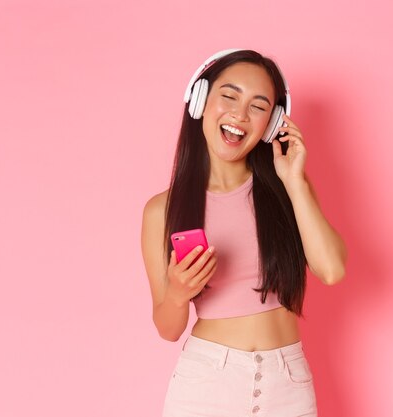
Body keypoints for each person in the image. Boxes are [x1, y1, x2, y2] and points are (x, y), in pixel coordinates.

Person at [141, 49, 346, 417]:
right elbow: (169, 329)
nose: (239, 114)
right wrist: (177, 293)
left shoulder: (289, 187)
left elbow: (331, 269)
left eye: (258, 106)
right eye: (229, 96)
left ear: (272, 123)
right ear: (201, 100)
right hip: (205, 385)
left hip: (287, 385)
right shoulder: (162, 210)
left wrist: (294, 180)